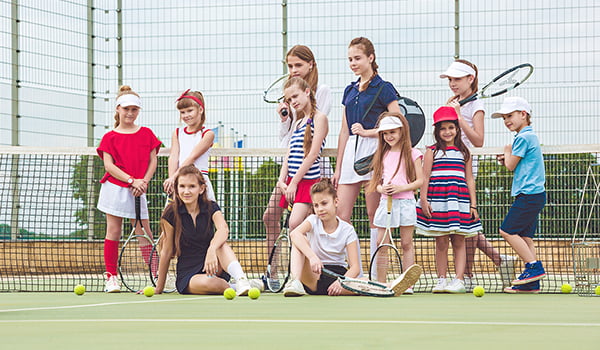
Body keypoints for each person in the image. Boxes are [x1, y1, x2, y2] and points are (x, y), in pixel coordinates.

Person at [441, 60, 516, 289]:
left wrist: (458, 117)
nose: (452, 83)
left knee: (465, 222)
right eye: (450, 80)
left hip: (465, 167)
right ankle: (499, 260)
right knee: (461, 222)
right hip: (447, 165)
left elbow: (478, 140)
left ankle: (469, 275)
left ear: (470, 79)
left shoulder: (477, 105)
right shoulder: (455, 102)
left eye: (457, 79)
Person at [332, 37, 402, 271]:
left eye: (357, 58)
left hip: (375, 153)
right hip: (352, 153)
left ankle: (376, 271)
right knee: (341, 213)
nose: (353, 63)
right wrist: (338, 167)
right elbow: (344, 131)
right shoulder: (349, 91)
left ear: (370, 58)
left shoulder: (384, 88)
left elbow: (398, 122)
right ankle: (350, 268)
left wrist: (371, 132)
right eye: (350, 59)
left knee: (375, 214)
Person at [282, 178, 420, 297]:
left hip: (339, 277)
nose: (320, 209)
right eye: (316, 205)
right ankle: (295, 282)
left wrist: (341, 283)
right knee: (299, 239)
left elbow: (355, 268)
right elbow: (294, 234)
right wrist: (312, 257)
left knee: (364, 282)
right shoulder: (312, 220)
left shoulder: (347, 230)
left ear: (336, 202)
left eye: (324, 203)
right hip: (313, 275)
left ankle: (391, 286)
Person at [263, 45, 332, 268]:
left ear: (310, 64)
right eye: (290, 66)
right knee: (270, 216)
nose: (293, 69)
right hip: (291, 176)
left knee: (304, 224)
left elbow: (313, 147)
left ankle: (312, 269)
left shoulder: (320, 95)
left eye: (298, 65)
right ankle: (273, 272)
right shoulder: (294, 109)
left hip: (310, 178)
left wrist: (293, 181)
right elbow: (287, 141)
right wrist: (285, 117)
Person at [154, 165, 262, 295]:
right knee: (210, 283)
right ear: (176, 189)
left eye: (192, 186)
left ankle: (242, 280)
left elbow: (223, 229)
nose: (186, 191)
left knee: (220, 244)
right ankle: (235, 287)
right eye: (182, 186)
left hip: (213, 265)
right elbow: (166, 251)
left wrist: (212, 249)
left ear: (201, 189)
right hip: (189, 274)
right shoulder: (170, 213)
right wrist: (158, 288)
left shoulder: (211, 207)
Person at [96, 85, 162, 293]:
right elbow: (109, 166)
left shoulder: (146, 133)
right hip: (114, 189)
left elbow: (153, 161)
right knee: (113, 232)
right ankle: (111, 278)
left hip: (139, 189)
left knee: (145, 233)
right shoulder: (109, 137)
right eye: (126, 109)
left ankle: (158, 276)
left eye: (134, 109)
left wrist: (143, 182)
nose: (130, 113)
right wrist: (132, 180)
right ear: (117, 109)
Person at [416, 106, 482, 294]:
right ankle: (441, 279)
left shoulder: (465, 152)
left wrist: (473, 205)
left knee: (459, 241)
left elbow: (469, 179)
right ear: (437, 131)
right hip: (437, 201)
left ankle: (459, 280)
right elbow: (425, 177)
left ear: (457, 128)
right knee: (441, 242)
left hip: (459, 201)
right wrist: (423, 199)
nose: (447, 132)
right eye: (443, 128)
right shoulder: (432, 151)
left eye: (451, 127)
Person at [493, 97, 546, 294]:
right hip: (533, 195)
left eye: (510, 116)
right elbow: (516, 163)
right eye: (504, 118)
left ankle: (533, 267)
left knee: (506, 231)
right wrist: (506, 157)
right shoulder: (527, 137)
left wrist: (507, 152)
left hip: (529, 195)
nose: (506, 120)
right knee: (525, 237)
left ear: (523, 114)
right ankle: (531, 283)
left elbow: (510, 165)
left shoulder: (523, 137)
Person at [367, 113, 424, 294]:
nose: (389, 136)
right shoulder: (381, 154)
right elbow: (375, 183)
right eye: (385, 133)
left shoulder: (414, 153)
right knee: (381, 243)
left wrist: (401, 188)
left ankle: (407, 284)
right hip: (386, 204)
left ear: (401, 131)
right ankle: (381, 284)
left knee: (407, 243)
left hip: (406, 203)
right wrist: (381, 189)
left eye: (392, 132)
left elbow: (420, 181)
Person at [275, 77, 328, 231]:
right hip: (292, 181)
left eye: (295, 96)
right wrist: (281, 180)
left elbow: (312, 155)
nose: (293, 102)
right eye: (289, 99)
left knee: (295, 224)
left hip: (307, 182)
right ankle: (301, 255)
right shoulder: (298, 123)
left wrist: (294, 183)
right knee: (299, 227)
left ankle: (309, 256)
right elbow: (289, 154)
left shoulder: (320, 118)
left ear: (307, 92)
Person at [163, 89, 216, 202]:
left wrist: (174, 177)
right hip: (181, 183)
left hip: (198, 182)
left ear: (200, 110)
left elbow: (192, 157)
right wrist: (172, 181)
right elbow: (173, 157)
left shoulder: (208, 134)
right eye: (182, 112)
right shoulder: (177, 133)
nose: (186, 115)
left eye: (189, 110)